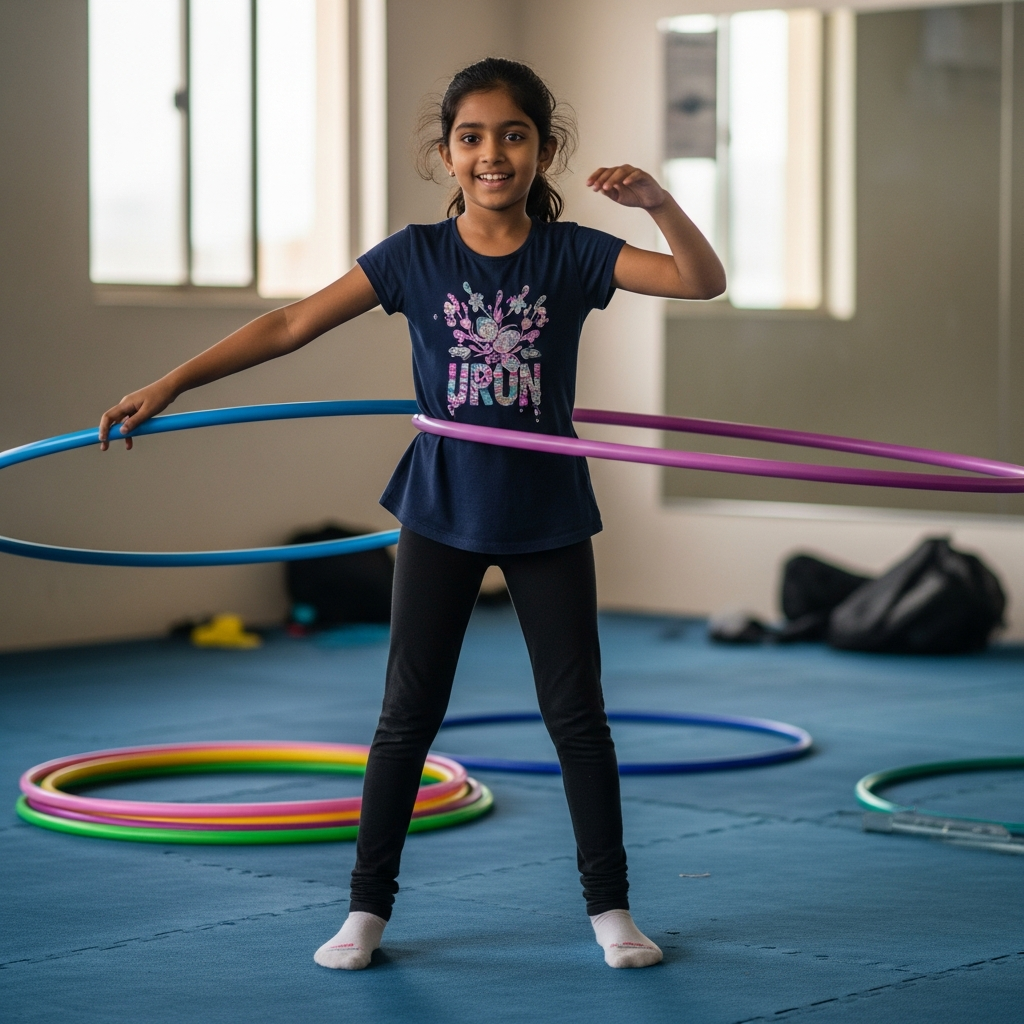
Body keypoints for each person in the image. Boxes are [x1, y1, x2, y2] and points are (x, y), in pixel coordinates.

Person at [99, 58, 725, 971]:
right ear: (445, 154)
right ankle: (366, 913)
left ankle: (611, 911)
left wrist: (660, 202)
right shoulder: (413, 256)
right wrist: (171, 383)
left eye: (513, 135)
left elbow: (698, 281)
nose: (492, 154)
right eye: (471, 137)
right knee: (406, 719)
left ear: (544, 150)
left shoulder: (575, 252)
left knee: (578, 719)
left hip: (547, 510)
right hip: (441, 505)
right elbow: (286, 325)